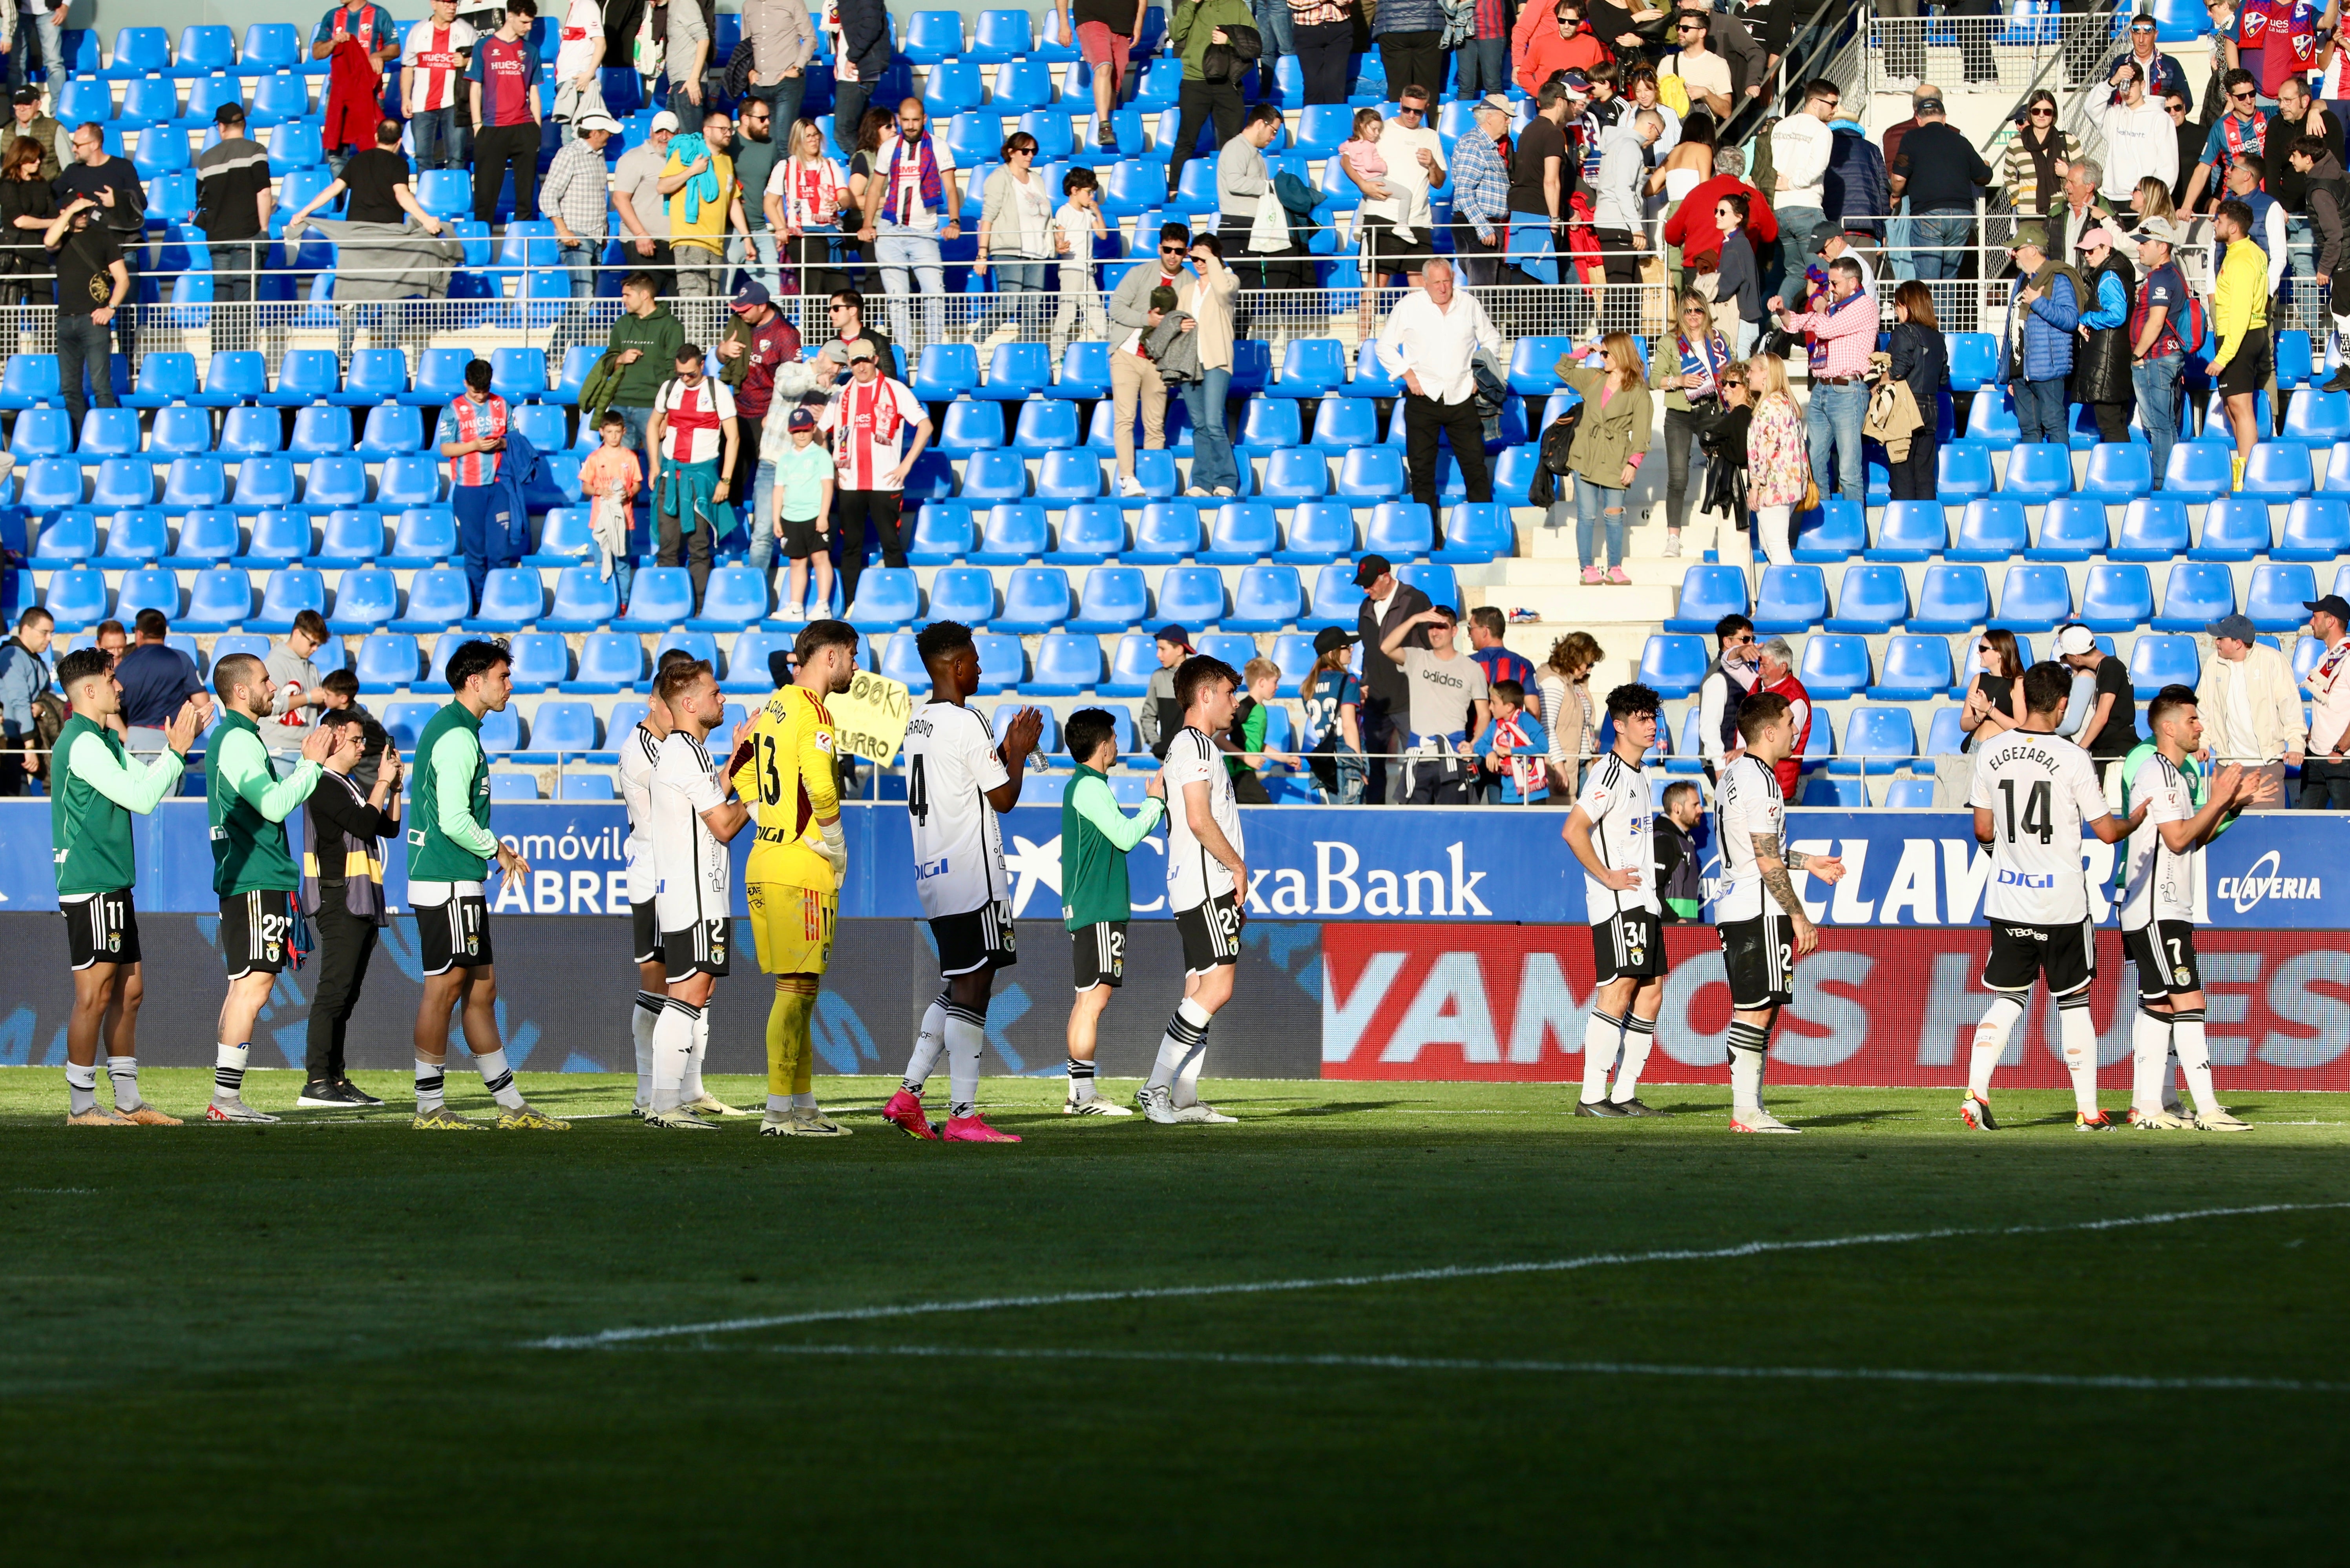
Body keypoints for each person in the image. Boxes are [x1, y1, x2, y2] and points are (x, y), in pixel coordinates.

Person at [1961, 662, 2148, 1132]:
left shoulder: (1991, 750)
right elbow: (2106, 833)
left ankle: (1975, 1091)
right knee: (2073, 1001)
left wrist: (2009, 859)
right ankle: (2087, 1111)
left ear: (2025, 698)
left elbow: (1982, 828)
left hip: (2006, 898)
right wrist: (2138, 817)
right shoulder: (2070, 758)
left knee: (2008, 999)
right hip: (2061, 900)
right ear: (2063, 705)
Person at [880, 622, 1043, 1142]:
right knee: (976, 985)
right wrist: (1017, 750)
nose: (980, 668)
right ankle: (963, 1117)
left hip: (933, 872)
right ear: (954, 667)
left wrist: (1001, 749)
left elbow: (962, 775)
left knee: (958, 982)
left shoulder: (919, 722)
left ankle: (908, 1095)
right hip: (972, 874)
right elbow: (1003, 799)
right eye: (973, 660)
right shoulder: (965, 720)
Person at [408, 640, 567, 1132]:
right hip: (447, 879)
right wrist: (496, 849)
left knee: (481, 989)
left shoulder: (459, 730)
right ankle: (429, 1109)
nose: (509, 686)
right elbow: (455, 819)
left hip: (456, 878)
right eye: (502, 676)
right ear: (474, 681)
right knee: (446, 988)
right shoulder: (455, 736)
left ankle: (512, 1106)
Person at [48, 648, 205, 1125]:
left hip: (113, 882)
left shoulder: (105, 740)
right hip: (92, 883)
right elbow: (140, 797)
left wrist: (172, 756)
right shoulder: (81, 743)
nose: (122, 687)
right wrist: (175, 752)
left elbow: (149, 790)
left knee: (130, 992)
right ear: (90, 691)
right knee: (94, 996)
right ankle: (80, 1107)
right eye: (113, 680)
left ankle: (130, 1103)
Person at [2116, 688, 2260, 1131]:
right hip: (2156, 906)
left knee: (2160, 1004)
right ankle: (2208, 1109)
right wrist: (2217, 800)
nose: (2200, 727)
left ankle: (2149, 1108)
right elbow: (2177, 839)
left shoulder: (2176, 776)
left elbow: (2190, 837)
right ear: (2168, 727)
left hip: (2166, 904)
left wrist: (2229, 805)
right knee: (2189, 1000)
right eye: (2192, 719)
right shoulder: (2155, 773)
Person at [203, 652, 334, 1124]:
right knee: (254, 988)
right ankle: (226, 1100)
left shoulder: (240, 739)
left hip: (253, 877)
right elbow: (275, 806)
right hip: (256, 877)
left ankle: (225, 1097)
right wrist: (312, 766)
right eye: (263, 681)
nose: (272, 688)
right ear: (241, 691)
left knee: (245, 986)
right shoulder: (237, 740)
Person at [1715, 691, 1849, 1132]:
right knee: (1757, 1009)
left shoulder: (1734, 773)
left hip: (1735, 903)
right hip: (1758, 906)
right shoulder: (1759, 779)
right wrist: (1797, 915)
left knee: (1755, 1007)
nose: (1796, 730)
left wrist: (1806, 861)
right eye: (1790, 722)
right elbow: (1765, 858)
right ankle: (1747, 1112)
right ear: (1768, 731)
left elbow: (1760, 846)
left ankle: (1748, 1110)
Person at [634, 658, 753, 1130]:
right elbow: (723, 825)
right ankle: (665, 1104)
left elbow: (708, 796)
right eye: (714, 692)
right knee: (689, 992)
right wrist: (758, 792)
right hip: (696, 892)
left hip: (686, 890)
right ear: (688, 703)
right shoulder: (685, 754)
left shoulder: (684, 752)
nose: (721, 699)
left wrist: (739, 761)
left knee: (691, 991)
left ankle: (664, 1102)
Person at [1137, 653, 1248, 1124]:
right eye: (1227, 692)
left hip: (1192, 881)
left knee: (1199, 987)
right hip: (1207, 881)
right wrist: (1238, 868)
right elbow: (1199, 819)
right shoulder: (1198, 747)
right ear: (1204, 695)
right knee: (1218, 987)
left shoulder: (1185, 747)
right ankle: (1156, 1088)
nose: (1234, 702)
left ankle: (1182, 1094)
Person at [1563, 683, 1667, 1117]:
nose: (1651, 725)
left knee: (1651, 993)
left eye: (1652, 717)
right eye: (1641, 719)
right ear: (1619, 726)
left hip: (1643, 899)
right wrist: (1606, 876)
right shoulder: (1607, 772)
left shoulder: (1642, 773)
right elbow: (1573, 829)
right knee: (1618, 990)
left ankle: (1623, 1093)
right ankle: (1591, 1097)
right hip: (1617, 902)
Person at [288, 708, 399, 1109]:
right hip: (339, 897)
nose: (363, 747)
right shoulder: (321, 782)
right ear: (333, 738)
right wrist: (383, 782)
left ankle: (335, 1079)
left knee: (347, 994)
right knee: (334, 991)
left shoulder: (348, 782)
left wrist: (395, 789)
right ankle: (317, 1079)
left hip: (360, 897)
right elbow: (365, 825)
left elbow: (387, 827)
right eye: (355, 739)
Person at [1056, 707, 1163, 1114]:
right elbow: (1124, 836)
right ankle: (1083, 1097)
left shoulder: (1084, 786)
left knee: (1085, 999)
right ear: (1103, 746)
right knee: (1092, 1002)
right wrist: (1154, 804)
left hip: (1090, 906)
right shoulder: (1088, 787)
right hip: (1097, 906)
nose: (1119, 745)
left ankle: (1076, 1094)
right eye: (1115, 740)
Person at [1374, 259, 1501, 537]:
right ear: (1424, 283)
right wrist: (1407, 375)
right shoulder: (1408, 306)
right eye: (1436, 283)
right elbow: (1384, 347)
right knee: (1421, 470)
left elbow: (1492, 339)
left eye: (1447, 281)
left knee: (1475, 467)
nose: (1443, 289)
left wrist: (1479, 376)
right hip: (1422, 399)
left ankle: (1482, 531)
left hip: (1462, 396)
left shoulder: (1469, 304)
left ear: (1453, 277)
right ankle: (1428, 535)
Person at [820, 337, 929, 613]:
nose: (860, 367)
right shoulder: (842, 394)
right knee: (850, 547)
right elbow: (820, 432)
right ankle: (850, 604)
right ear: (849, 364)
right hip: (850, 483)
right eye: (855, 362)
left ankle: (900, 602)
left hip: (886, 483)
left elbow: (925, 426)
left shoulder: (895, 390)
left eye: (865, 361)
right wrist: (829, 466)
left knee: (891, 544)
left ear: (875, 360)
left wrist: (906, 465)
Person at [1549, 332, 1651, 583]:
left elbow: (1642, 432)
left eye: (1606, 354)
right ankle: (1587, 568)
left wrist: (1633, 463)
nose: (1602, 358)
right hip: (1584, 451)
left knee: (1614, 514)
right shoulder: (1594, 377)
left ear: (1621, 354)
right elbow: (1561, 369)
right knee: (1586, 515)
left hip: (1616, 454)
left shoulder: (1639, 390)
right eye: (1602, 353)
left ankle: (1614, 567)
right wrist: (1585, 351)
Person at [1768, 255, 1871, 504]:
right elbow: (1799, 323)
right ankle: (1826, 522)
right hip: (1822, 390)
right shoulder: (1833, 309)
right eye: (1829, 283)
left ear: (1853, 282)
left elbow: (1826, 328)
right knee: (1814, 461)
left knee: (1848, 471)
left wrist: (1819, 305)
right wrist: (1783, 311)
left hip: (1848, 391)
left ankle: (1853, 532)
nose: (1830, 289)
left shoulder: (1864, 305)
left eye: (1835, 284)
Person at [647, 343, 740, 611]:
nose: (685, 379)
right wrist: (654, 465)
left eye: (690, 374)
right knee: (667, 547)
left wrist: (725, 480)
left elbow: (733, 438)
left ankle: (699, 607)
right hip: (670, 476)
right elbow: (653, 425)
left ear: (702, 366)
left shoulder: (717, 391)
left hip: (701, 479)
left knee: (699, 548)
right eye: (680, 374)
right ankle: (667, 605)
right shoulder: (670, 388)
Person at [714, 279, 798, 569]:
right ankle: (729, 542)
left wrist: (775, 414)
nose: (739, 313)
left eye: (745, 308)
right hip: (737, 412)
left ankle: (772, 535)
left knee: (768, 485)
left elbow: (792, 382)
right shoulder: (739, 324)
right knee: (730, 482)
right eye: (736, 307)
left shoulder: (786, 335)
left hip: (767, 420)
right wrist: (722, 351)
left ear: (762, 306)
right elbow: (719, 355)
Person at [1107, 223, 1194, 496]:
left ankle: (1154, 480)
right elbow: (1116, 307)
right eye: (1167, 250)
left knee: (1155, 424)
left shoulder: (1189, 283)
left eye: (1178, 251)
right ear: (1160, 248)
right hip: (1127, 354)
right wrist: (1147, 319)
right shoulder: (1139, 273)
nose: (1172, 256)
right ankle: (1127, 479)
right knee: (1125, 419)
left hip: (1160, 361)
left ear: (1186, 252)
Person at [866, 98, 959, 350]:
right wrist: (867, 224)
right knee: (897, 298)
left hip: (924, 231)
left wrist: (954, 221)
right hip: (889, 231)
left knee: (935, 294)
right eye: (905, 120)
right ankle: (905, 354)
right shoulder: (888, 148)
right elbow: (875, 188)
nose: (909, 125)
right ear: (899, 119)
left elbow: (950, 189)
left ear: (924, 120)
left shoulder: (939, 147)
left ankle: (933, 352)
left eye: (915, 120)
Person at [1380, 603, 1490, 803]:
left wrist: (1473, 744)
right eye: (1431, 626)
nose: (1435, 632)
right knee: (1415, 824)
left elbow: (1484, 715)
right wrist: (1415, 619)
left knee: (1451, 824)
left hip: (1452, 758)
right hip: (1418, 757)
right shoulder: (1417, 658)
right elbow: (1386, 647)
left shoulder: (1473, 669)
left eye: (1442, 627)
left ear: (1455, 631)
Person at [1653, 292, 1733, 557]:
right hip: (1680, 414)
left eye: (1698, 310)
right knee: (1678, 477)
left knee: (1724, 471)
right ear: (1681, 313)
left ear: (1705, 312)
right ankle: (1672, 539)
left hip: (1712, 409)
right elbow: (1655, 380)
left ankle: (1728, 529)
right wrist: (1679, 380)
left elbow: (1731, 374)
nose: (1693, 316)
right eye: (1687, 311)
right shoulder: (1670, 341)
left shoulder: (1719, 339)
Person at [2195, 613, 2301, 807]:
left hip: (2266, 766)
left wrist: (2296, 744)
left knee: (2266, 832)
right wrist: (2202, 743)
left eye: (2221, 638)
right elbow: (2204, 709)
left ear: (2238, 643)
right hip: (2226, 766)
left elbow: (2290, 706)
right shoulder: (2213, 663)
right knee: (2226, 834)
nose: (2216, 642)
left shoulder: (2272, 660)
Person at [43, 191, 126, 435]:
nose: (83, 216)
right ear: (65, 212)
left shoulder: (103, 238)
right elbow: (49, 242)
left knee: (101, 387)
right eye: (77, 211)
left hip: (93, 321)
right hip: (65, 321)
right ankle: (79, 441)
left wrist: (110, 309)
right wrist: (71, 211)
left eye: (85, 211)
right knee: (70, 389)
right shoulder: (62, 239)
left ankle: (106, 438)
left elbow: (122, 280)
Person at [437, 359, 516, 612]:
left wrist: (500, 444)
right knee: (475, 552)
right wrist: (473, 445)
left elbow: (516, 440)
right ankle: (480, 605)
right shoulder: (454, 409)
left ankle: (500, 600)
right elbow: (446, 448)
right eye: (475, 391)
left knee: (499, 550)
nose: (481, 396)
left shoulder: (501, 404)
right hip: (469, 488)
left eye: (485, 390)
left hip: (499, 486)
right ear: (466, 384)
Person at [1165, 0, 1257, 210]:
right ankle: (1175, 190)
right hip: (1194, 81)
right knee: (1187, 139)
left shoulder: (1238, 6)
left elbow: (1254, 42)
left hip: (1228, 83)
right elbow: (1176, 33)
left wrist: (1230, 40)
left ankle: (1235, 192)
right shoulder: (1190, 5)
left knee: (1233, 143)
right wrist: (1192, 4)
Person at [1889, 95, 1992, 281]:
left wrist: (1895, 195)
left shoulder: (1911, 138)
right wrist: (1986, 164)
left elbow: (1898, 177)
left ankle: (1928, 312)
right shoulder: (1961, 141)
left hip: (1929, 214)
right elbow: (1983, 176)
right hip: (1961, 217)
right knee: (1948, 281)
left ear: (1919, 120)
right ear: (1944, 118)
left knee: (1928, 282)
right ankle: (1946, 312)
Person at [1997, 226, 2082, 448]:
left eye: (2018, 248)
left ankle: (2060, 478)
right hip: (2021, 371)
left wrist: (2038, 302)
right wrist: (2009, 372)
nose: (2013, 254)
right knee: (2028, 429)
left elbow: (2071, 319)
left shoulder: (2059, 279)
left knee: (2054, 424)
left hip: (2047, 370)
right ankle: (2034, 479)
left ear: (2033, 250)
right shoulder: (2021, 280)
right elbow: (2012, 325)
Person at [2208, 197, 2271, 489]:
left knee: (2240, 406)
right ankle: (2243, 470)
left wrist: (2224, 355)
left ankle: (2249, 476)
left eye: (2219, 221)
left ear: (2233, 227)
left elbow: (2241, 311)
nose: (2214, 224)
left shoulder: (2242, 258)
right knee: (2233, 406)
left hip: (2241, 336)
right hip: (2244, 335)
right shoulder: (2245, 253)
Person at [973, 130, 1057, 348]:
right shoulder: (999, 177)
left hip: (1037, 251)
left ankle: (1029, 348)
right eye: (1025, 150)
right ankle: (976, 340)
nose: (1030, 155)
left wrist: (1054, 241)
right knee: (1009, 301)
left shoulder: (1037, 179)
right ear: (1011, 152)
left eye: (1034, 151)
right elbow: (988, 216)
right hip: (1008, 248)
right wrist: (982, 254)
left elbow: (1045, 216)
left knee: (1033, 307)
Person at [1174, 232, 1242, 500]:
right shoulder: (1186, 290)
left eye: (1204, 255)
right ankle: (1202, 482)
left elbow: (1225, 292)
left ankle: (1226, 480)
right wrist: (1178, 325)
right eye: (1195, 256)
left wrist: (1212, 260)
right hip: (1190, 362)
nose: (1198, 261)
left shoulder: (1228, 280)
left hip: (1217, 360)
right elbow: (1176, 321)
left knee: (1214, 422)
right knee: (1199, 425)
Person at [193, 106, 273, 323]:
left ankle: (219, 353)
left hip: (217, 237)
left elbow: (201, 201)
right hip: (247, 236)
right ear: (243, 125)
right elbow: (264, 192)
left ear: (221, 127)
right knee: (244, 299)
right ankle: (240, 353)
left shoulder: (206, 159)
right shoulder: (256, 150)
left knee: (221, 295)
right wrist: (264, 230)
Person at [2129, 216, 2192, 488]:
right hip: (2163, 356)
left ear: (2162, 246)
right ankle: (2172, 480)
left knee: (2158, 426)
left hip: (2154, 358)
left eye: (2145, 242)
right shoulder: (2171, 275)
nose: (2139, 248)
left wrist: (2137, 355)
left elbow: (2156, 321)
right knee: (2165, 424)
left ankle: (2162, 483)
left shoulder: (2161, 277)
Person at [467, 0, 542, 225]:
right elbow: (475, 88)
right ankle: (481, 246)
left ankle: (523, 246)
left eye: (531, 23)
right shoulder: (484, 46)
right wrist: (477, 125)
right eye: (524, 22)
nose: (529, 28)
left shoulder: (530, 50)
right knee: (485, 195)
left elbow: (534, 91)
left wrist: (537, 127)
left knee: (526, 195)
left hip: (524, 128)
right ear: (511, 16)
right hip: (492, 128)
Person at [600, 270, 685, 464]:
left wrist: (667, 414)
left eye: (627, 295)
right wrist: (620, 358)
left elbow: (675, 373)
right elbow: (607, 360)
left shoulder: (671, 326)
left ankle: (662, 496)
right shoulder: (622, 323)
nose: (623, 300)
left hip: (652, 409)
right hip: (620, 406)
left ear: (645, 295)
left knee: (661, 467)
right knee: (618, 471)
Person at [661, 108, 745, 297]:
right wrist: (692, 170)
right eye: (723, 129)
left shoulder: (726, 160)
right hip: (690, 240)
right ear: (707, 131)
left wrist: (746, 238)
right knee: (694, 303)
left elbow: (732, 201)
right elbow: (662, 186)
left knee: (711, 302)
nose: (728, 133)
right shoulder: (688, 154)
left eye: (730, 129)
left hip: (716, 244)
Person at [763, 407, 835, 618]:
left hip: (814, 516)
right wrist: (777, 519)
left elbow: (828, 487)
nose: (801, 435)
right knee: (796, 562)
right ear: (790, 432)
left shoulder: (821, 455)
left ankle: (823, 605)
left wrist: (823, 515)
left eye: (805, 430)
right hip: (791, 517)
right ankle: (796, 606)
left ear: (813, 429)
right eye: (797, 431)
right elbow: (779, 490)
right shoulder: (785, 459)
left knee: (820, 557)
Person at [2071, 225, 2139, 445]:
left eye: (2092, 250)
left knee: (2110, 425)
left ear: (2107, 249)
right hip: (2115, 360)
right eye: (2085, 251)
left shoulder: (2108, 277)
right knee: (2116, 423)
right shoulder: (2117, 274)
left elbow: (2117, 316)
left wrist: (2086, 319)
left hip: (2106, 363)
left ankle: (2120, 475)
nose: (2087, 255)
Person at [767, 115, 847, 300]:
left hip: (832, 233)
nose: (813, 140)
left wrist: (839, 203)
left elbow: (845, 195)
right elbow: (770, 202)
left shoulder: (831, 164)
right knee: (814, 292)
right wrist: (781, 227)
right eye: (807, 136)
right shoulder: (786, 166)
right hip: (803, 236)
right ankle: (814, 330)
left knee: (841, 293)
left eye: (815, 135)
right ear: (798, 141)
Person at [1768, 80, 1840, 284]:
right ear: (1815, 102)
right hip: (1806, 208)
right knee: (1824, 277)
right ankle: (1826, 317)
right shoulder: (1822, 130)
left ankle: (1770, 315)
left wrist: (1782, 185)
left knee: (1796, 275)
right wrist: (1791, 184)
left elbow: (1769, 162)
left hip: (1779, 210)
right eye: (1832, 104)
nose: (1835, 110)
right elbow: (1816, 169)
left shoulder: (1780, 126)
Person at [542, 111, 617, 301]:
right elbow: (548, 195)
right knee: (583, 295)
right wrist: (564, 231)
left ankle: (566, 333)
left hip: (595, 237)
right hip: (576, 235)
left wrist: (603, 233)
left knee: (585, 296)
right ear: (595, 133)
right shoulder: (570, 153)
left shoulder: (598, 156)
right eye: (607, 131)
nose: (611, 135)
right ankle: (570, 333)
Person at [1883, 281, 1946, 503]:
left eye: (1897, 305)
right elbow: (1944, 376)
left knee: (1902, 477)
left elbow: (1900, 368)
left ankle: (1906, 531)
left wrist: (1880, 380)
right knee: (1924, 475)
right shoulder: (1938, 337)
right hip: (1931, 409)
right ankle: (1926, 530)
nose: (1896, 310)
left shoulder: (1904, 332)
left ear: (1907, 306)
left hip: (1906, 411)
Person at [1742, 354, 1808, 566]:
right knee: (1771, 545)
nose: (1748, 375)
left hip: (1774, 486)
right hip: (1789, 483)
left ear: (1766, 374)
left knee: (1777, 546)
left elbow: (1764, 451)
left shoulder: (1770, 405)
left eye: (1752, 370)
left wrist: (1754, 485)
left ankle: (1791, 594)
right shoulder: (1786, 402)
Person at [1059, 0, 1151, 150]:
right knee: (1104, 65)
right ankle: (1104, 126)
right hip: (1091, 18)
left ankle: (1111, 141)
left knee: (1116, 79)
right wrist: (1064, 24)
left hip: (1122, 24)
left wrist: (1139, 23)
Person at [2053, 620, 2138, 781]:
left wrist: (2080, 750)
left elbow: (2102, 716)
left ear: (2077, 658)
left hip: (2116, 752)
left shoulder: (2110, 667)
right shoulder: (2106, 667)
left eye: (2067, 656)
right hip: (2108, 749)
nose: (2065, 659)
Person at [401, 0, 478, 171]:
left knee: (456, 157)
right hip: (422, 105)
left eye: (455, 3)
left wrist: (467, 61)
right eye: (447, 3)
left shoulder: (466, 31)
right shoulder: (419, 30)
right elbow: (408, 67)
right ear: (434, 4)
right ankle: (424, 197)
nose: (452, 7)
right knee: (423, 158)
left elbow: (481, 64)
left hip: (455, 105)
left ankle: (455, 196)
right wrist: (406, 98)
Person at [113, 609, 202, 756]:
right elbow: (202, 704)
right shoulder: (182, 659)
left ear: (139, 634)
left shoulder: (125, 665)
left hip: (136, 742)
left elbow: (108, 707)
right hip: (173, 741)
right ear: (164, 633)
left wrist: (126, 736)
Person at [2182, 67, 2268, 216]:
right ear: (2230, 97)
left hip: (2266, 200)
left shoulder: (2269, 115)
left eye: (2252, 94)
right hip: (2234, 203)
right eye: (2241, 96)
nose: (2249, 101)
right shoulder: (2221, 127)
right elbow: (2203, 169)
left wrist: (2315, 110)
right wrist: (2187, 206)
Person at [1450, 94, 1512, 286]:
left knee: (1497, 291)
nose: (1509, 121)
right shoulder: (1474, 143)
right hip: (1478, 226)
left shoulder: (1489, 145)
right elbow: (1464, 191)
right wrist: (1483, 227)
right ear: (1490, 117)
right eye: (1506, 116)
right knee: (1483, 291)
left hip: (1489, 225)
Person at [612, 110, 679, 289]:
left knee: (680, 308)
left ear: (678, 134)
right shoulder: (633, 159)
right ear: (651, 132)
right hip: (645, 244)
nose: (664, 137)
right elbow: (620, 199)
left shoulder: (683, 160)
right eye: (659, 131)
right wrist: (640, 235)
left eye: (669, 132)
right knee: (645, 305)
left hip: (676, 245)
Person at [1299, 626, 1365, 804]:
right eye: (1347, 647)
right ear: (1332, 653)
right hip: (1346, 755)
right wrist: (1359, 766)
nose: (1352, 650)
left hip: (1325, 759)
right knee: (1352, 820)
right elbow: (1348, 726)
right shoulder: (1349, 680)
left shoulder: (1307, 687)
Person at [1050, 167, 1110, 357]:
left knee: (1096, 311)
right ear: (1075, 190)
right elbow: (1059, 236)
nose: (1091, 196)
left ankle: (1109, 350)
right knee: (1067, 311)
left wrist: (1097, 211)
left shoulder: (1088, 213)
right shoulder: (1064, 211)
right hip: (1070, 268)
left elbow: (1103, 234)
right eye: (1088, 192)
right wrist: (1060, 245)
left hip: (1087, 269)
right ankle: (1056, 354)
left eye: (1093, 192)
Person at [2299, 592, 2350, 806]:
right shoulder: (2325, 658)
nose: (2311, 622)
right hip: (2316, 757)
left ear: (2331, 621)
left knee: (2345, 825)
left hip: (2340, 759)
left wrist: (2339, 749)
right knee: (2304, 825)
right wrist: (2309, 739)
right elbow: (2323, 706)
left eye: (2315, 617)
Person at [1217, 657, 1291, 804]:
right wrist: (1247, 758)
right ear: (1262, 682)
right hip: (1236, 774)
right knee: (1266, 812)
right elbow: (1219, 738)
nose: (1277, 687)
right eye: (1275, 682)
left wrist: (1286, 759)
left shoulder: (1260, 709)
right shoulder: (1245, 707)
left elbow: (1258, 745)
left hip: (1246, 774)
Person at [1536, 631, 1600, 796]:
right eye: (1589, 664)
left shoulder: (1575, 684)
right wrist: (1559, 767)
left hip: (1582, 764)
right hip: (1564, 766)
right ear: (1576, 658)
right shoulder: (1553, 683)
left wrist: (1591, 742)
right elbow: (1546, 727)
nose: (1590, 670)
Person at [262, 609, 333, 756]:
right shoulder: (276, 662)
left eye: (318, 645)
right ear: (296, 634)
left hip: (302, 747)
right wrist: (309, 698)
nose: (315, 649)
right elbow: (270, 705)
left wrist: (321, 703)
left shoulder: (312, 668)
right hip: (276, 749)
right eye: (312, 643)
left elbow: (310, 711)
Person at [828, 0, 890, 162]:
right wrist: (839, 62)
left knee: (843, 133)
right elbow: (843, 31)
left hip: (858, 70)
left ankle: (871, 172)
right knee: (861, 133)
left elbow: (872, 25)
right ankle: (873, 174)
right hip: (850, 69)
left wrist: (853, 57)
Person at [0, 130, 55, 306]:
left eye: (39, 158)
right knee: (9, 304)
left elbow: (54, 213)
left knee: (44, 300)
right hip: (14, 248)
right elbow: (19, 221)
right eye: (33, 158)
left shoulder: (42, 184)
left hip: (38, 247)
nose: (38, 162)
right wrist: (53, 223)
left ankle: (45, 334)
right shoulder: (7, 184)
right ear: (20, 159)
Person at [1475, 679, 1550, 804]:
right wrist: (1489, 752)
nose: (1490, 707)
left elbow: (1544, 747)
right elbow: (1480, 744)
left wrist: (1512, 751)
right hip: (1509, 795)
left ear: (1510, 707)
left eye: (1494, 703)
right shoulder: (1496, 724)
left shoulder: (1526, 720)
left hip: (1534, 794)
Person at [0, 603, 48, 796]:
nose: (49, 639)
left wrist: (42, 707)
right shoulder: (12, 657)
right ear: (27, 629)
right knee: (18, 802)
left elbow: (46, 697)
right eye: (44, 632)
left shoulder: (34, 659)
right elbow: (20, 703)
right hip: (11, 742)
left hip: (21, 738)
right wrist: (30, 746)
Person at [1961, 627, 2028, 745]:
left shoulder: (2018, 682)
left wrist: (1989, 709)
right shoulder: (1978, 679)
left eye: (1983, 649)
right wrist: (1978, 718)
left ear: (2000, 653)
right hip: (1976, 747)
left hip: (2002, 750)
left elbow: (2021, 727)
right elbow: (1964, 724)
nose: (1978, 653)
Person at [1289, 0, 1356, 107]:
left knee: (1335, 84)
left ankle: (1335, 120)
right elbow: (1294, 3)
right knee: (1313, 86)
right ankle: (1314, 121)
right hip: (1307, 30)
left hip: (1340, 28)